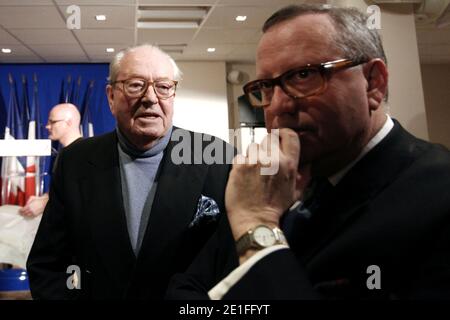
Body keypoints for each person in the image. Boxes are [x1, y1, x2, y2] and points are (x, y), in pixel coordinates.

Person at [166, 4, 450, 300]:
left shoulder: (438, 195)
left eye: (303, 75)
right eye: (265, 87)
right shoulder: (269, 184)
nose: (277, 105)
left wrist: (257, 228)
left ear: (372, 83)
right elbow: (187, 288)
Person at [26, 44, 234, 299]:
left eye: (163, 86)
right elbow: (49, 265)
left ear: (173, 94)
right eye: (136, 85)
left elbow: (235, 267)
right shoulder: (75, 162)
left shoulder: (217, 157)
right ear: (111, 96)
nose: (150, 97)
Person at [19, 103, 82, 218]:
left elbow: (80, 194)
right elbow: (62, 188)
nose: (48, 126)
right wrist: (43, 198)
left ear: (68, 122)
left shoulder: (83, 153)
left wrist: (43, 204)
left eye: (52, 122)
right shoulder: (65, 153)